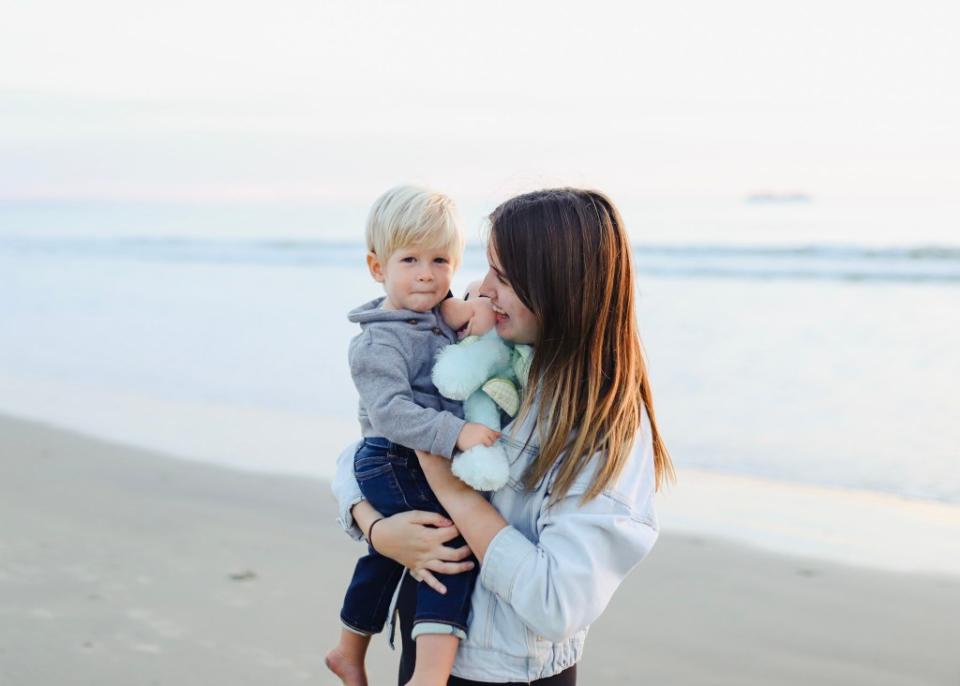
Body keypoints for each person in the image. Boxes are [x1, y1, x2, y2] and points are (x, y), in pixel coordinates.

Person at [333, 188, 675, 685]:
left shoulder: (600, 426)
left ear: (558, 289)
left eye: (504, 277)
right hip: (428, 646)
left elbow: (557, 603)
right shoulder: (485, 355)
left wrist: (455, 497)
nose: (481, 288)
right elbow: (367, 450)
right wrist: (375, 529)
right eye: (487, 267)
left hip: (510, 674)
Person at [325, 185, 501, 686]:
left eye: (440, 259)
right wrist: (459, 432)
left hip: (414, 456)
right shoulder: (377, 342)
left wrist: (468, 311)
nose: (427, 273)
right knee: (448, 546)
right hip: (391, 456)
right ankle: (430, 674)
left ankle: (348, 648)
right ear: (377, 267)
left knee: (390, 555)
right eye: (410, 259)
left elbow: (463, 318)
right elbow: (393, 414)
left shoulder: (435, 315)